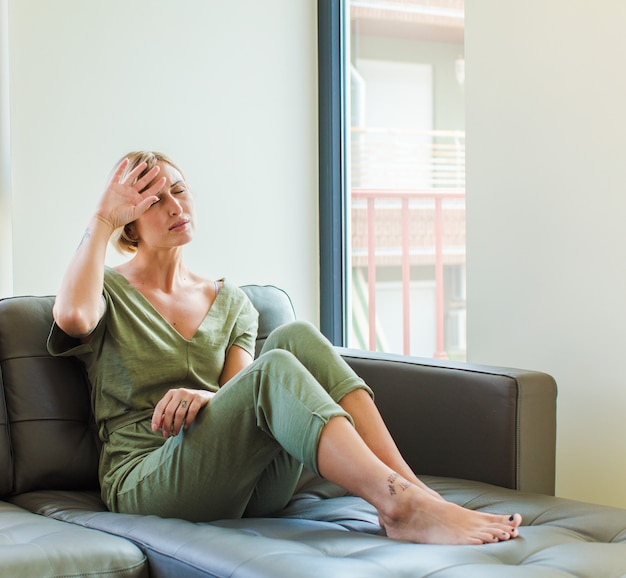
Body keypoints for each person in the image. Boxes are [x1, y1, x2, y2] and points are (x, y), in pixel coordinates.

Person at [48, 151, 522, 545]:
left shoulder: (232, 300)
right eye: (153, 200)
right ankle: (397, 503)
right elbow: (72, 317)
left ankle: (419, 496)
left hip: (248, 484)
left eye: (179, 189)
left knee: (296, 338)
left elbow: (240, 392)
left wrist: (207, 399)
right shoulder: (105, 290)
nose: (174, 205)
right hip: (151, 480)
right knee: (275, 365)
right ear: (130, 223)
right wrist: (102, 217)